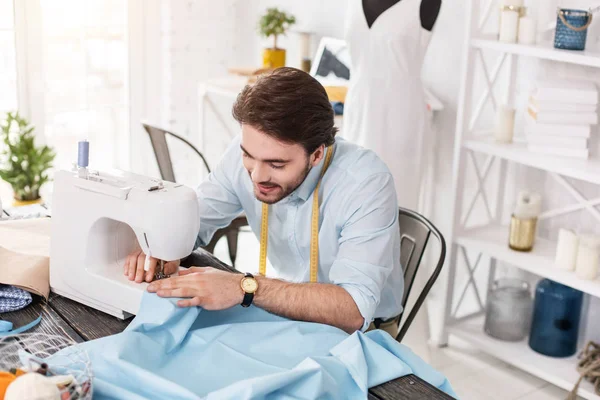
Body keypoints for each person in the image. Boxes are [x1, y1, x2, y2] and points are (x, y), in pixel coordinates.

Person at [124, 67, 403, 336]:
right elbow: (195, 222)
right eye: (249, 156)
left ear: (317, 155)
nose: (257, 175)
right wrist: (165, 248)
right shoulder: (245, 153)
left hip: (360, 332)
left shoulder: (366, 182)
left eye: (276, 164)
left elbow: (353, 310)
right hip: (284, 313)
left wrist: (244, 287)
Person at [343, 0, 441, 210]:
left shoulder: (423, 3)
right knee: (350, 203)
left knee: (395, 205)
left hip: (399, 120)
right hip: (357, 113)